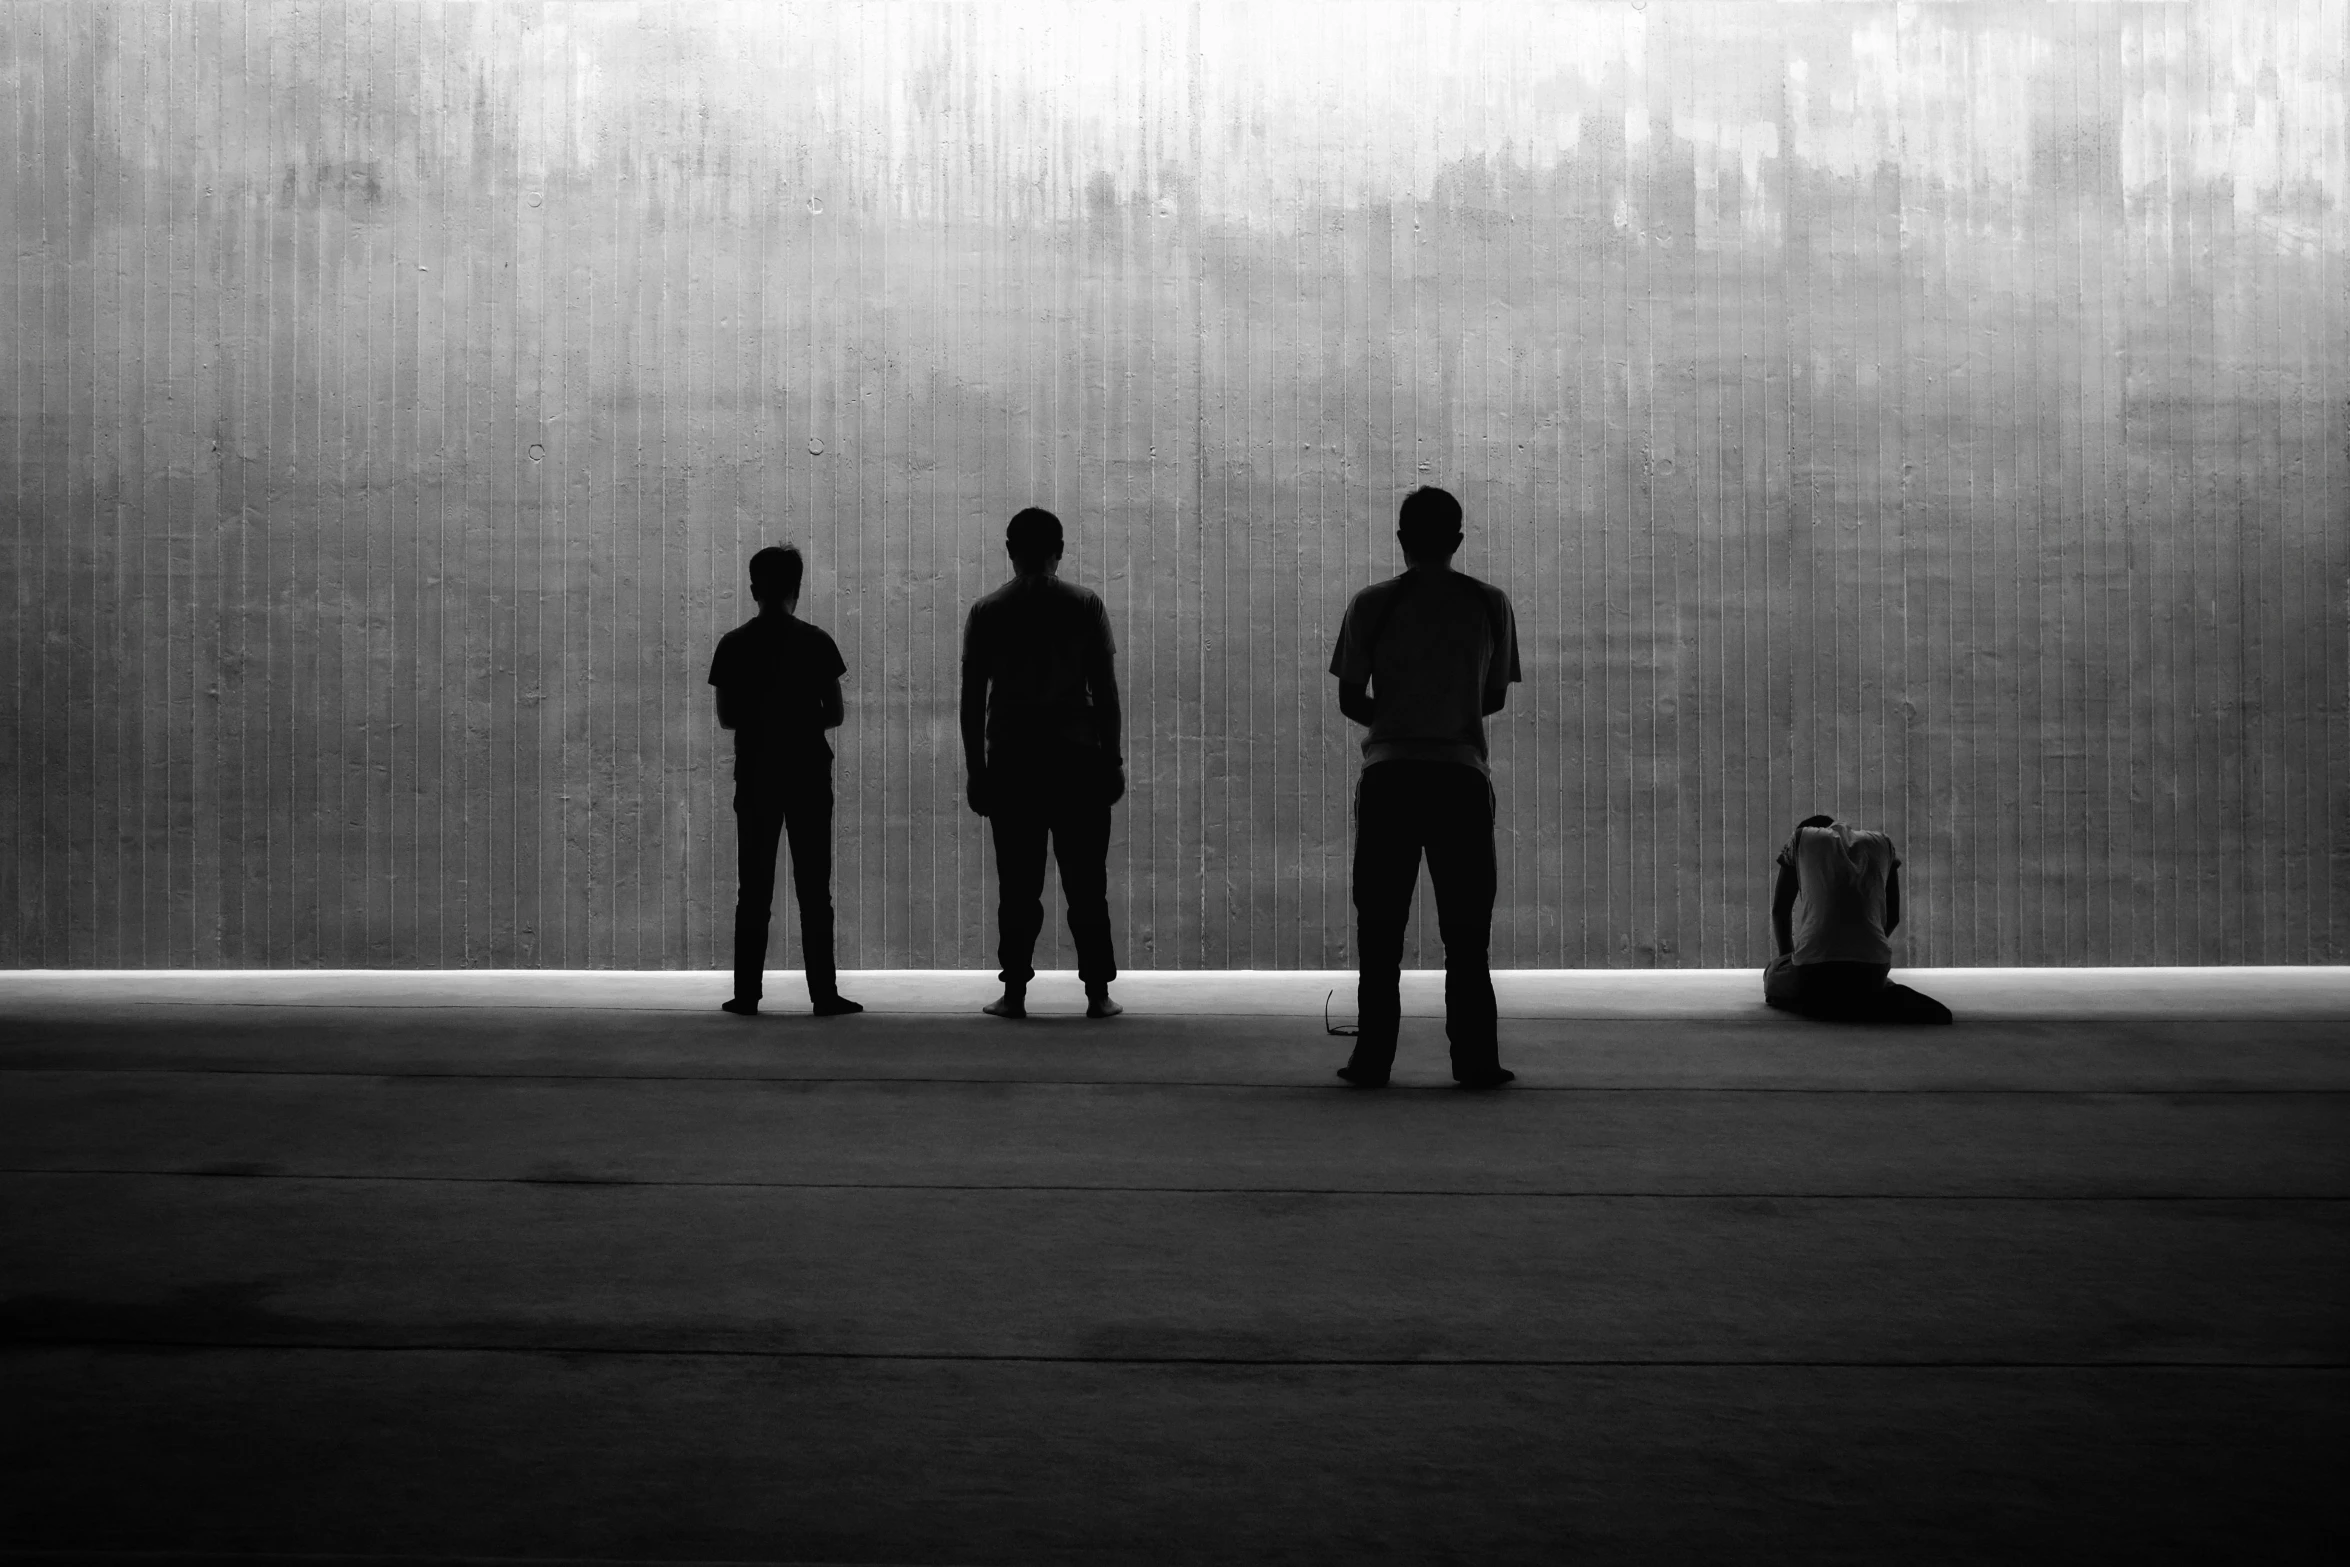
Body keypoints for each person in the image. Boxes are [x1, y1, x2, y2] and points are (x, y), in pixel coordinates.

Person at [1329, 486, 1522, 1088]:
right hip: (1461, 777)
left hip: (1390, 775)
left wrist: (1395, 722)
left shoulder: (1372, 605)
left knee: (1380, 927)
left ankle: (1372, 1060)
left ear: (1402, 539)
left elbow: (1347, 698)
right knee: (1467, 931)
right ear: (1458, 540)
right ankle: (1475, 1060)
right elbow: (1494, 695)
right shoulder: (1490, 603)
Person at [961, 508, 1126, 1020]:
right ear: (1060, 548)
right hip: (1077, 762)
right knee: (1086, 885)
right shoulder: (1085, 605)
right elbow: (1105, 691)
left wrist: (976, 770)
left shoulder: (987, 610)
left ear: (1010, 549)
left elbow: (971, 700)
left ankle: (1014, 993)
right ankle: (1097, 993)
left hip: (1012, 764)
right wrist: (1112, 759)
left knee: (1018, 887)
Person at [708, 545, 862, 1018]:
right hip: (808, 774)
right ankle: (824, 993)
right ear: (798, 588)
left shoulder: (733, 645)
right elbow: (834, 713)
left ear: (753, 589)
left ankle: (746, 995)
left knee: (753, 888)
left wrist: (764, 717)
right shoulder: (817, 642)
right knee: (815, 888)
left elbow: (728, 717)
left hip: (756, 774)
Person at [1764, 815, 1952, 1023]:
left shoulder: (1800, 839)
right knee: (1868, 981)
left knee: (1772, 974)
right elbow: (1893, 916)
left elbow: (1780, 910)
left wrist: (1786, 959)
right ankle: (1874, 991)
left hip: (1813, 973)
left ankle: (1825, 1001)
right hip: (1872, 969)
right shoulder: (1882, 842)